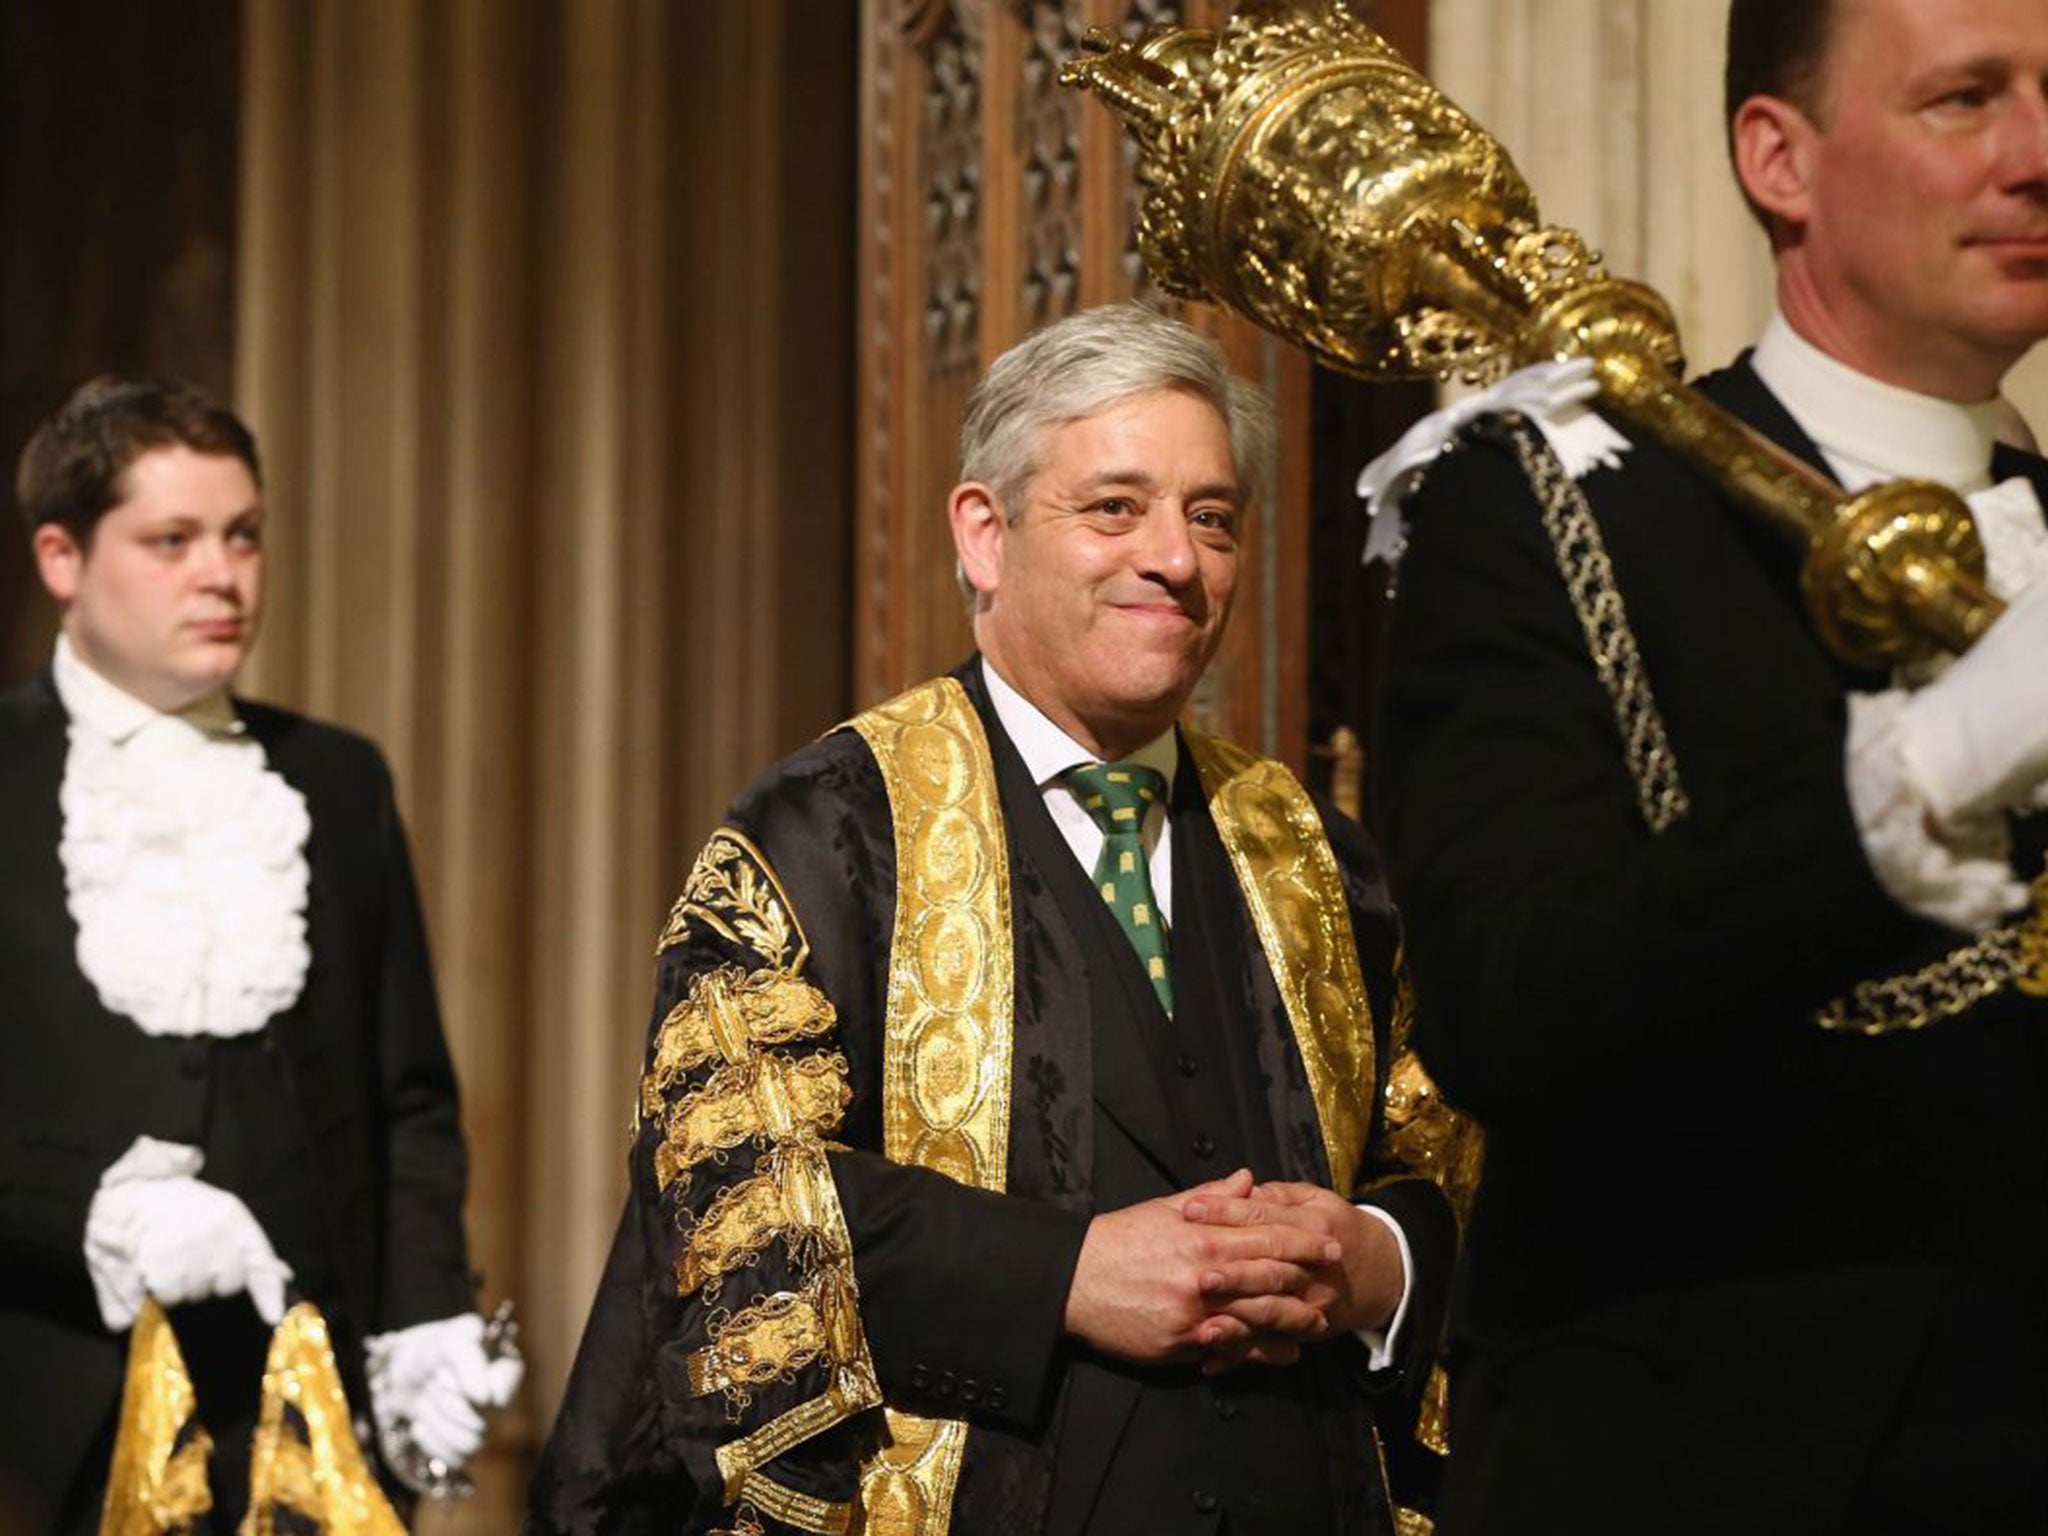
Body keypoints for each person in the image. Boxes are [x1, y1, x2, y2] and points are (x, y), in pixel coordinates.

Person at [526, 303, 1475, 1536]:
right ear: (983, 534)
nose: (1175, 560)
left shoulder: (1315, 857)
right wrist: (1064, 1276)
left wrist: (1372, 1263)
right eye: (1113, 509)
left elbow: (1451, 1162)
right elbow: (729, 1206)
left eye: (1210, 518)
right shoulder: (827, 834)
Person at [1374, 0, 2048, 1531]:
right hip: (1719, 1462)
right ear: (1778, 158)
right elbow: (1505, 993)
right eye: (1965, 99)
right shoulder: (1550, 504)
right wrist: (1920, 781)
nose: (2037, 154)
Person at [0, 376, 519, 1532]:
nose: (221, 575)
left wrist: (427, 1319)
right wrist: (95, 1213)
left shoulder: (336, 779)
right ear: (61, 558)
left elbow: (410, 1101)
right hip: (46, 1439)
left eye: (243, 536)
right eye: (171, 540)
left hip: (309, 1428)